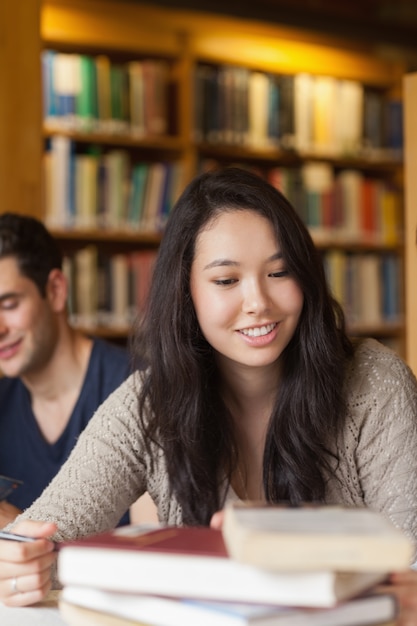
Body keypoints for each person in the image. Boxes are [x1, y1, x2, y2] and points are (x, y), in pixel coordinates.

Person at [1, 168, 417, 622]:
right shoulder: (150, 401)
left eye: (280, 271)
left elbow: (410, 563)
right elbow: (47, 531)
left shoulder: (375, 383)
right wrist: (26, 563)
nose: (258, 301)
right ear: (187, 292)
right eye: (226, 281)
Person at [0, 212, 133, 528]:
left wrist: (21, 530)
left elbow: (161, 545)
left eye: (9, 305)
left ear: (57, 290)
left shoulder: (138, 391)